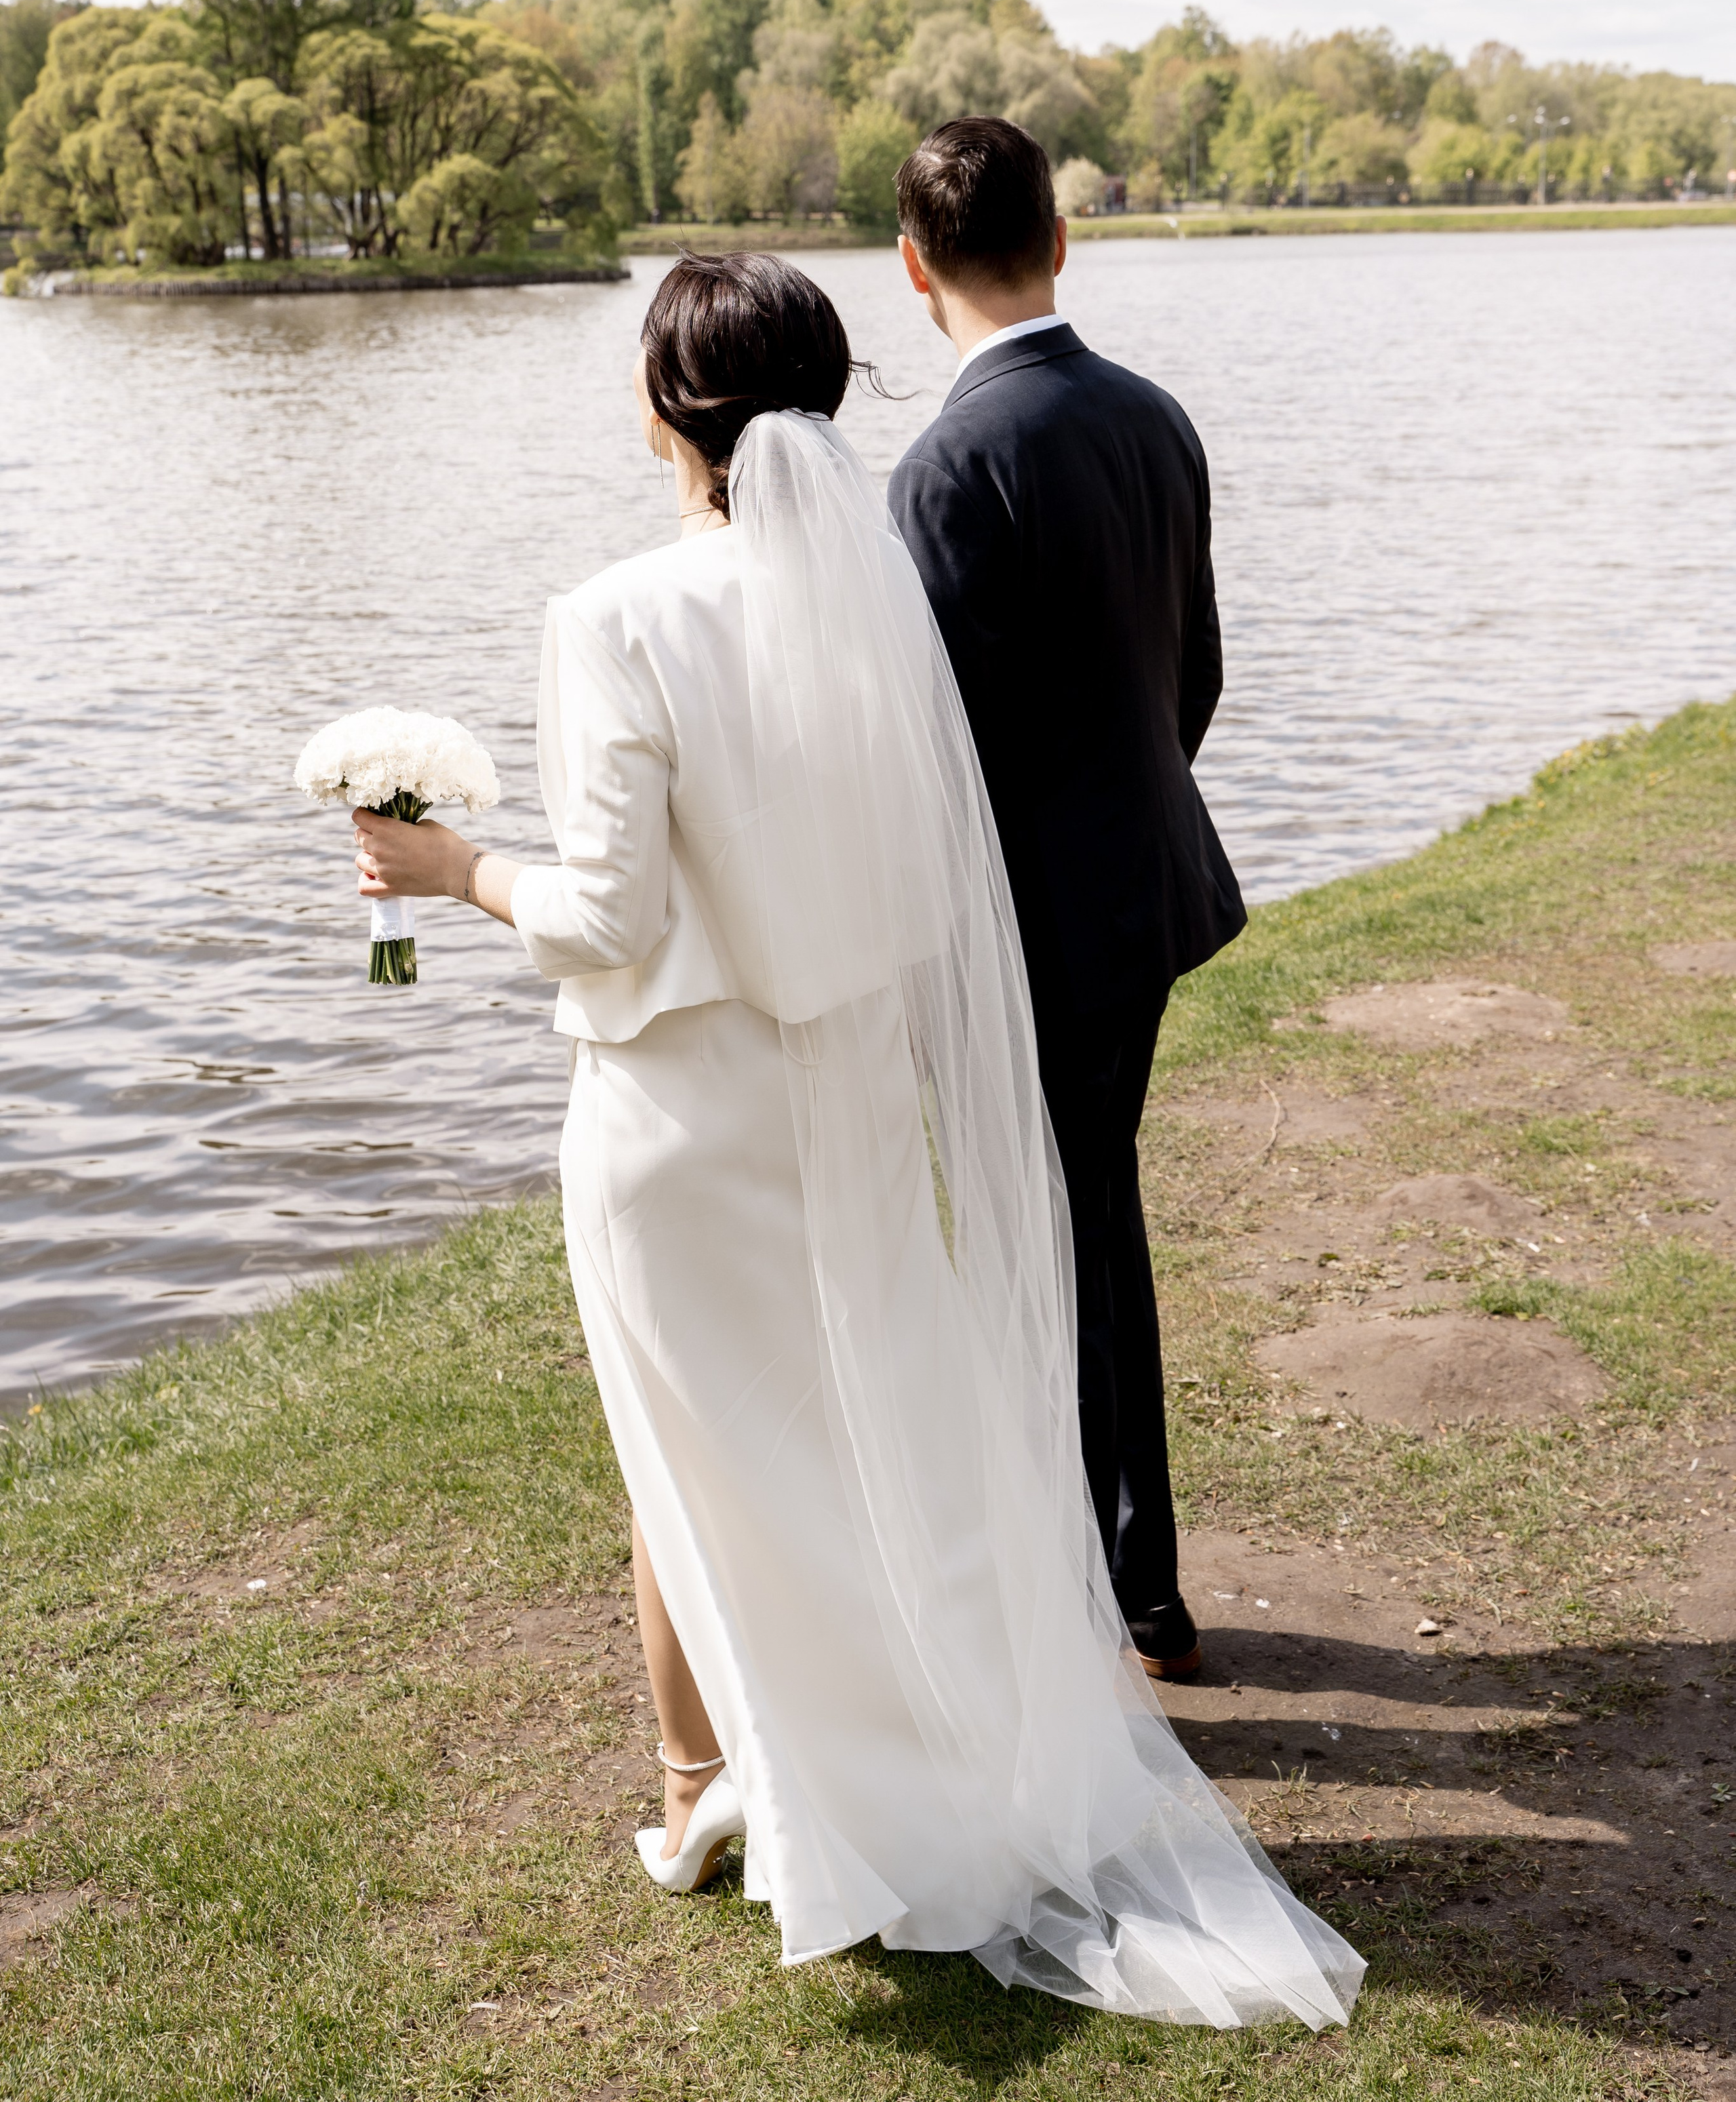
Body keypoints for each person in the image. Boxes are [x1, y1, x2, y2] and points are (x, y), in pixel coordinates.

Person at [351, 254, 1359, 2025]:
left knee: (685, 1452)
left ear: (665, 408)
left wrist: (449, 873)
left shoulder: (615, 616)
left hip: (679, 1118)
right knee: (864, 1434)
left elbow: (603, 915)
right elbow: (916, 880)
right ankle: (897, 1769)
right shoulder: (880, 593)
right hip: (850, 1097)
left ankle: (698, 1799)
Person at [887, 119, 1245, 1683]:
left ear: (910, 269)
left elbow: (930, 748)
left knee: (1061, 1227)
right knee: (1088, 1212)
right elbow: (1196, 671)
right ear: (1060, 239)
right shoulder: (1154, 415)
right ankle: (1123, 1575)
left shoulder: (949, 465)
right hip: (1145, 892)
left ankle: (1114, 1582)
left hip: (1034, 927)